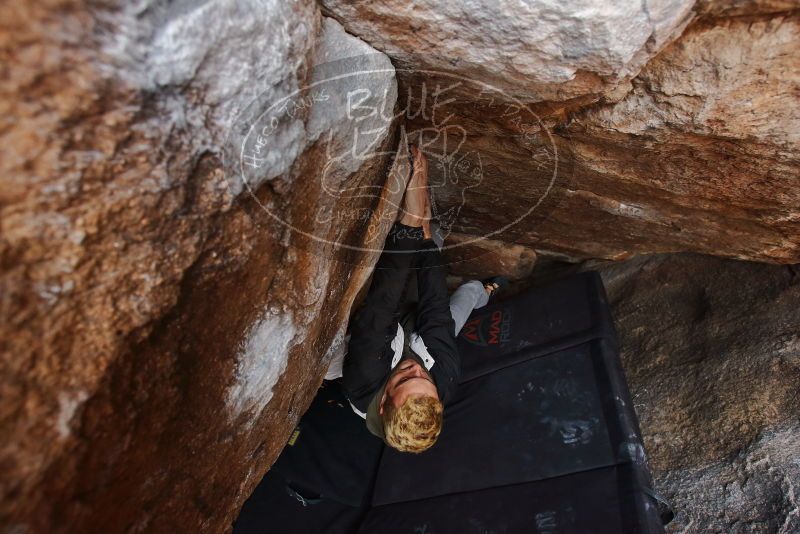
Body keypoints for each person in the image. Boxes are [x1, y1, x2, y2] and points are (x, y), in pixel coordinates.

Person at [337, 146, 505, 453]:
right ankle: (485, 292)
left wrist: (410, 221)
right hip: (418, 329)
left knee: (329, 360)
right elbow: (436, 305)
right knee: (460, 285)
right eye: (423, 379)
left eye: (404, 380)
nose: (415, 370)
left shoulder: (364, 378)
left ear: (385, 404)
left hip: (368, 344)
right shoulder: (444, 372)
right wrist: (424, 232)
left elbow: (381, 305)